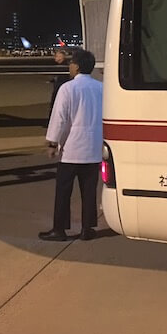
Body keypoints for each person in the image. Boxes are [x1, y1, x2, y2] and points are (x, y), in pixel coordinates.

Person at [39, 49, 103, 241]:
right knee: (89, 191)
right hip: (93, 149)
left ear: (76, 66)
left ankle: (59, 229)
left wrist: (52, 142)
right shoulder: (101, 88)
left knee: (64, 192)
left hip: (72, 149)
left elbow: (60, 118)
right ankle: (87, 228)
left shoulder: (67, 88)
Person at [48, 48, 70, 116]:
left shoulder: (63, 67)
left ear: (61, 57)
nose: (55, 58)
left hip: (59, 89)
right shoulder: (65, 65)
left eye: (57, 56)